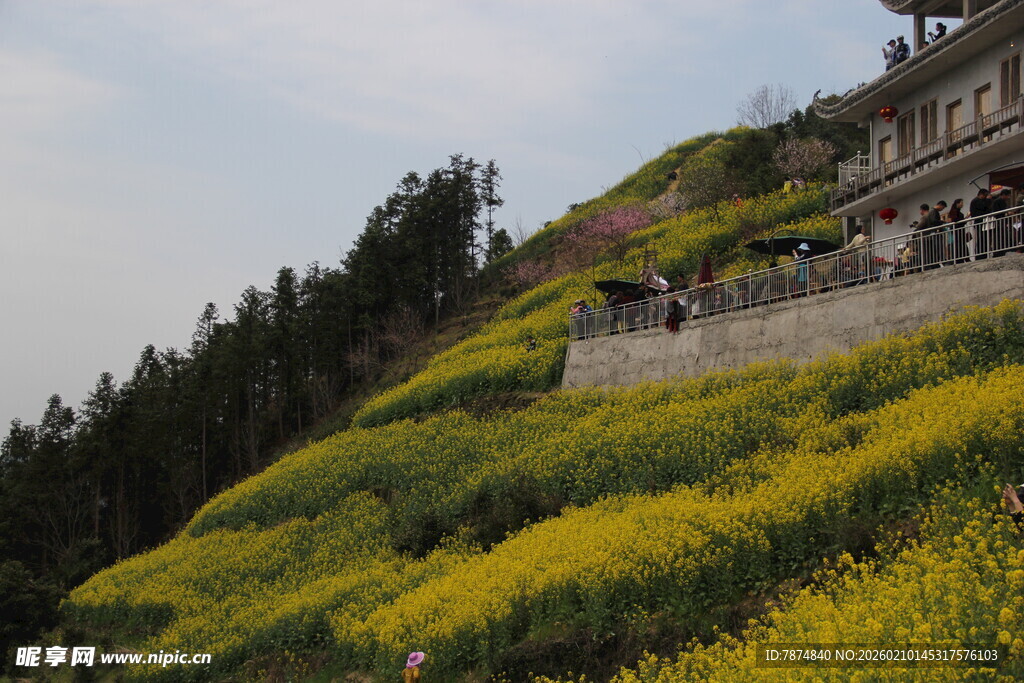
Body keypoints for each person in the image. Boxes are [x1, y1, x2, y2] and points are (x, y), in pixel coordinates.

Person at [969, 187, 992, 259]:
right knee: (981, 238)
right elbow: (983, 207)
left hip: (983, 222)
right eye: (985, 195)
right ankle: (980, 255)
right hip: (979, 221)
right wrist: (988, 200)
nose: (985, 197)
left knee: (985, 238)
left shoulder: (978, 200)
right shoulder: (976, 201)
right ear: (981, 195)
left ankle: (984, 253)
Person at [990, 188, 1012, 256]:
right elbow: (996, 212)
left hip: (1002, 221)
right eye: (1007, 195)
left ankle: (1002, 251)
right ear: (1003, 195)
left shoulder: (1002, 201)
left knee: (1003, 236)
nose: (1008, 197)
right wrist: (1006, 213)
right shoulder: (998, 201)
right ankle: (998, 252)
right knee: (999, 237)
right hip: (999, 221)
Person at [946, 198, 966, 263]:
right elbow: (954, 221)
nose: (962, 204)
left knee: (961, 245)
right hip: (957, 231)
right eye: (961, 203)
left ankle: (962, 258)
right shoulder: (954, 212)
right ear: (957, 203)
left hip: (959, 231)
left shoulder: (957, 212)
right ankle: (960, 259)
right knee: (959, 245)